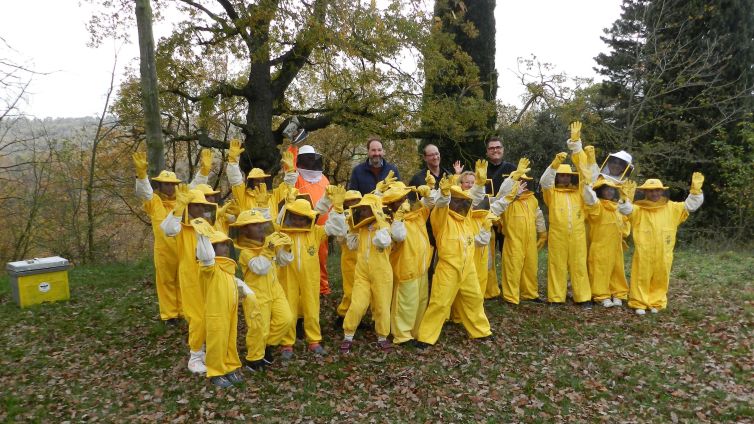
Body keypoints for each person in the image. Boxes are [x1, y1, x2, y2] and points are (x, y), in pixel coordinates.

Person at [415, 170, 493, 348]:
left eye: (461, 200)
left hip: (468, 267)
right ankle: (426, 337)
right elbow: (441, 204)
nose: (459, 203)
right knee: (439, 302)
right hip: (448, 268)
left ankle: (481, 332)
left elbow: (474, 195)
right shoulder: (441, 217)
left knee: (474, 299)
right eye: (455, 199)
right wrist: (443, 193)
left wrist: (479, 184)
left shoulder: (467, 216)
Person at [277, 186, 347, 359]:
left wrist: (337, 210)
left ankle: (314, 341)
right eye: (296, 217)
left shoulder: (315, 232)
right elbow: (273, 222)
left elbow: (334, 229)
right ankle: (287, 343)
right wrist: (288, 203)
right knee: (289, 309)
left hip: (311, 278)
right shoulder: (283, 232)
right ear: (290, 216)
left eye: (303, 218)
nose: (300, 221)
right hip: (287, 277)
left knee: (312, 308)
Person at [618, 173, 704, 315]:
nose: (654, 193)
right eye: (651, 191)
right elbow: (625, 209)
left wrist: (695, 193)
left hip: (664, 252)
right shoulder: (638, 209)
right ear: (645, 192)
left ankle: (656, 302)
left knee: (661, 277)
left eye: (657, 190)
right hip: (644, 252)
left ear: (662, 191)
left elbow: (690, 206)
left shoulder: (672, 208)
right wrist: (624, 198)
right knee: (641, 276)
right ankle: (639, 302)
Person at [160, 185, 219, 373]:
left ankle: (208, 349)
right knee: (197, 318)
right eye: (197, 205)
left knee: (211, 314)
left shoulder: (207, 224)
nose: (201, 209)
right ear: (189, 206)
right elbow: (167, 229)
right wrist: (178, 209)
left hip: (211, 276)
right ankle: (195, 355)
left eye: (203, 205)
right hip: (190, 278)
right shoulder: (180, 227)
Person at [230, 210, 294, 371]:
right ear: (244, 230)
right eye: (254, 225)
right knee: (259, 328)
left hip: (275, 290)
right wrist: (270, 249)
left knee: (286, 319)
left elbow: (285, 261)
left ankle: (267, 346)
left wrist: (287, 247)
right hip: (256, 295)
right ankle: (254, 359)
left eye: (260, 224)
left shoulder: (268, 243)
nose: (259, 228)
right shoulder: (246, 252)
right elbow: (260, 268)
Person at [339, 193, 395, 353]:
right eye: (361, 210)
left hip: (382, 274)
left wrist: (381, 222)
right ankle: (348, 335)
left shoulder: (385, 226)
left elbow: (382, 242)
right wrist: (351, 227)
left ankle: (382, 337)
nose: (363, 213)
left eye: (366, 210)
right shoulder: (361, 229)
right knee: (357, 304)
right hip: (362, 273)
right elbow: (352, 245)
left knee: (382, 306)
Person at [131, 153, 182, 324]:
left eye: (171, 185)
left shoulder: (183, 202)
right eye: (165, 184)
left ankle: (183, 310)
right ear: (160, 185)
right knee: (166, 281)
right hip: (164, 252)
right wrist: (141, 175)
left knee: (183, 280)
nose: (169, 188)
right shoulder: (155, 202)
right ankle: (170, 315)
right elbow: (145, 193)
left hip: (183, 250)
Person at [194, 221, 246, 387]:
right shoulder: (208, 267)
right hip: (216, 312)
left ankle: (230, 367)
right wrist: (202, 236)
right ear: (211, 247)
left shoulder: (227, 268)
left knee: (230, 339)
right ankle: (216, 372)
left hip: (230, 310)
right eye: (220, 245)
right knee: (217, 341)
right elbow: (207, 258)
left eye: (225, 245)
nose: (225, 248)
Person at [383, 181, 435, 346]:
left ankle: (415, 331)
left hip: (421, 268)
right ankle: (402, 335)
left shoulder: (416, 214)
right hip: (405, 268)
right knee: (405, 304)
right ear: (392, 204)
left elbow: (431, 203)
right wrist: (398, 218)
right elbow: (398, 236)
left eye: (405, 198)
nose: (405, 202)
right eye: (400, 200)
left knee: (420, 302)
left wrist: (428, 192)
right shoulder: (389, 220)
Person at [490, 159, 548, 304]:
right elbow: (501, 193)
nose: (522, 183)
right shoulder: (507, 199)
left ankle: (529, 293)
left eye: (524, 181)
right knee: (512, 267)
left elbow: (538, 215)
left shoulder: (532, 199)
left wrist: (542, 232)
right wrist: (514, 176)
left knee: (530, 266)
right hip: (513, 239)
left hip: (530, 239)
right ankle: (511, 296)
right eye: (519, 181)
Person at [540, 151, 592, 308]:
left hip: (578, 236)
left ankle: (583, 297)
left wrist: (579, 156)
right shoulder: (551, 193)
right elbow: (544, 182)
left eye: (567, 175)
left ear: (572, 177)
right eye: (561, 175)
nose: (564, 178)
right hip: (558, 236)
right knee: (557, 265)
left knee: (579, 265)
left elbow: (588, 180)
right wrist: (555, 164)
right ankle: (556, 297)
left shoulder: (579, 193)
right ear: (557, 177)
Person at [284, 145, 332, 295]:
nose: (310, 162)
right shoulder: (295, 177)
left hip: (320, 227)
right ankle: (299, 289)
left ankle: (322, 288)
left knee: (321, 257)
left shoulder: (324, 179)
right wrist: (293, 145)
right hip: (300, 226)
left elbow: (329, 198)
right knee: (301, 258)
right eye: (307, 159)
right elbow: (288, 178)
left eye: (312, 159)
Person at [583, 178, 631, 307]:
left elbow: (625, 225)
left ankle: (618, 294)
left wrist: (626, 200)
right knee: (600, 271)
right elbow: (589, 198)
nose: (609, 192)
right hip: (600, 246)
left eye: (611, 189)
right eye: (606, 189)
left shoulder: (617, 207)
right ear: (600, 191)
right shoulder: (596, 206)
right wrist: (587, 182)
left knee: (617, 271)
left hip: (616, 246)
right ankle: (601, 295)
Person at [334, 190, 363, 327]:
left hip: (364, 258)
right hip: (349, 258)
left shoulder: (365, 214)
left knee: (362, 290)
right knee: (350, 289)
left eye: (356, 200)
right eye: (350, 201)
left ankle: (357, 316)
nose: (353, 203)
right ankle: (343, 315)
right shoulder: (343, 216)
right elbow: (340, 238)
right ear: (345, 203)